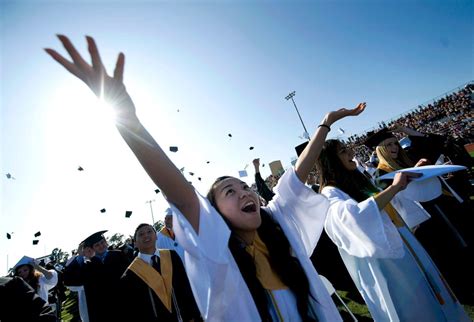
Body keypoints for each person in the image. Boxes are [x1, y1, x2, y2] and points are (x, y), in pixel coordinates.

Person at [45, 35, 367, 321]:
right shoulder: (217, 248)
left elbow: (297, 174)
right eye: (230, 191)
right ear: (214, 213)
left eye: (245, 188)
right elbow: (182, 194)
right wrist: (127, 118)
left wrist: (324, 124)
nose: (246, 193)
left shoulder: (280, 229)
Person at [317, 138, 469, 321]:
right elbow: (352, 217)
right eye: (342, 151)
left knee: (434, 296)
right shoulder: (330, 193)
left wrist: (412, 172)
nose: (350, 152)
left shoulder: (354, 180)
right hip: (388, 260)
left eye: (347, 148)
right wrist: (395, 187)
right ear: (330, 161)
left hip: (404, 241)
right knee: (417, 308)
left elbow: (383, 196)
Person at [367, 127, 474, 303]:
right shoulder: (381, 173)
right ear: (380, 150)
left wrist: (403, 129)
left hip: (441, 208)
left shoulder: (406, 159)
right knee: (446, 255)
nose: (394, 147)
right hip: (423, 221)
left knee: (461, 244)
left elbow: (435, 142)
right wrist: (413, 172)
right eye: (388, 144)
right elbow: (390, 190)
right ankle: (463, 292)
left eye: (395, 142)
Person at [120, 223, 202, 321]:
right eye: (141, 234)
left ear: (156, 236)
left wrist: (194, 315)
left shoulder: (172, 256)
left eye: (149, 231)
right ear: (135, 243)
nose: (146, 235)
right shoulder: (131, 274)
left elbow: (185, 287)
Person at [62, 230, 131, 322]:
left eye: (102, 242)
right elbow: (68, 280)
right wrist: (80, 255)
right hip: (100, 309)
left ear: (106, 242)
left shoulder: (118, 255)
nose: (101, 246)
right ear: (92, 248)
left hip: (122, 303)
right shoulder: (86, 264)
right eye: (97, 245)